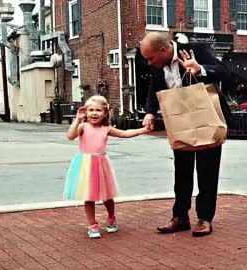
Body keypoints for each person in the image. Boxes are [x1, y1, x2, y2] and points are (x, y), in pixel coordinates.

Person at [140, 32, 232, 237]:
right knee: (181, 172)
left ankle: (205, 218)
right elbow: (154, 89)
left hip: (206, 118)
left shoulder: (195, 50)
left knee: (207, 170)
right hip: (179, 121)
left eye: (151, 57)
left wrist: (200, 69)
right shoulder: (157, 67)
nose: (148, 62)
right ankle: (180, 217)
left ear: (164, 50)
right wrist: (149, 111)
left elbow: (225, 73)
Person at [64, 95, 149, 238]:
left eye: (98, 110)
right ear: (86, 112)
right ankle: (92, 225)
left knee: (107, 196)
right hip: (85, 165)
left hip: (101, 164)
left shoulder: (106, 128)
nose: (94, 113)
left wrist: (143, 130)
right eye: (90, 110)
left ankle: (111, 217)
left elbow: (126, 133)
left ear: (105, 113)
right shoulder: (83, 126)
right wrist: (78, 119)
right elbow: (70, 136)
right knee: (88, 196)